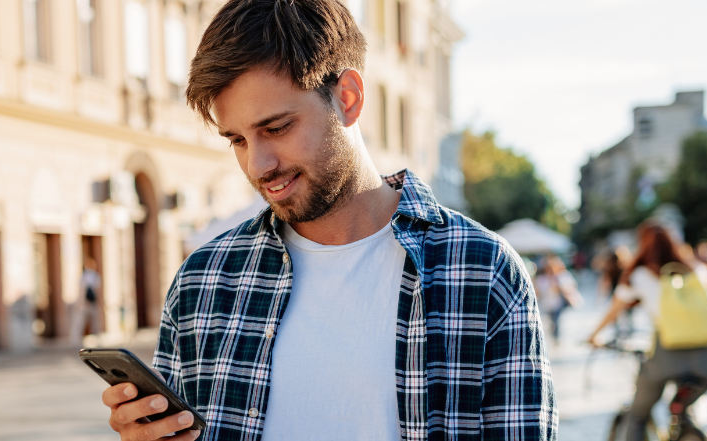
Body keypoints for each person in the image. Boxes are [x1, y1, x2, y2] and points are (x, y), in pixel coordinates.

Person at [100, 1, 555, 439]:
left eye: (276, 128)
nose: (258, 165)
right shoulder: (203, 282)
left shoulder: (480, 270)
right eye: (237, 139)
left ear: (348, 99)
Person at [586, 223, 707, 441]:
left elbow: (614, 311)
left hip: (668, 353)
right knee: (685, 409)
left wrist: (593, 336)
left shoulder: (639, 275)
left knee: (638, 414)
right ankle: (688, 425)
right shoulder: (697, 270)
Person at [535, 255, 583, 346]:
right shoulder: (542, 278)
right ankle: (554, 336)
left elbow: (570, 287)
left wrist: (559, 286)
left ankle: (556, 338)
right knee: (550, 321)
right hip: (547, 304)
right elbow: (539, 292)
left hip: (558, 303)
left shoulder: (563, 276)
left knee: (556, 321)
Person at [70, 258, 103, 343]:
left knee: (84, 322)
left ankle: (76, 339)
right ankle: (96, 339)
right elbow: (98, 291)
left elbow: (81, 291)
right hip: (90, 303)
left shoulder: (84, 276)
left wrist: (79, 303)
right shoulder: (95, 276)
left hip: (86, 303)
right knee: (92, 323)